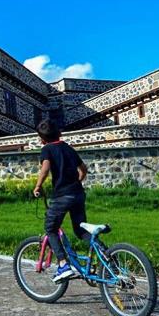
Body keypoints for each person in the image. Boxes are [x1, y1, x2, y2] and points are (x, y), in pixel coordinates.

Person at [32, 119, 93, 283]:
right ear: (59, 133)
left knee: (50, 228)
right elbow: (83, 170)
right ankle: (106, 256)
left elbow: (45, 169)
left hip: (62, 196)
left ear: (42, 139)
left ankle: (63, 265)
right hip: (78, 194)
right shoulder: (68, 148)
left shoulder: (47, 149)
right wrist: (77, 183)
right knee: (81, 230)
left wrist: (38, 186)